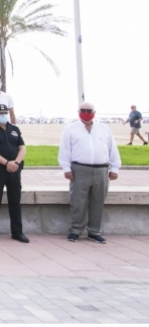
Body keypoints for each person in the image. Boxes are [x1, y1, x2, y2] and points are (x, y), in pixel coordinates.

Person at [58, 102, 121, 243]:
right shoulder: (71, 129)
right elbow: (64, 150)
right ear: (78, 111)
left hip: (101, 170)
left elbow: (112, 149)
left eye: (89, 110)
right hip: (79, 169)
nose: (86, 112)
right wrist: (66, 169)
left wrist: (115, 168)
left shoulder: (104, 129)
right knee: (78, 201)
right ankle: (76, 230)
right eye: (83, 110)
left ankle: (94, 231)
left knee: (98, 201)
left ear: (94, 112)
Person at [0, 104, 28, 243]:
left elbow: (22, 148)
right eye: (0, 113)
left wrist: (16, 163)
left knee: (15, 201)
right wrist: (6, 163)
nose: (3, 115)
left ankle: (17, 232)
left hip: (14, 169)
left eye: (5, 113)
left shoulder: (14, 129)